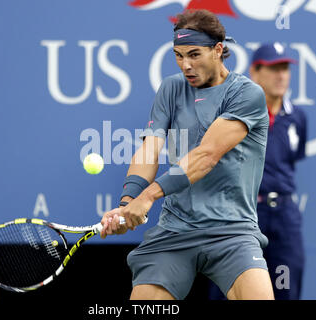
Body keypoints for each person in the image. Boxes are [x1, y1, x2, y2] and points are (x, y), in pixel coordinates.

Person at [100, 9, 274, 300]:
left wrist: (148, 197)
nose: (185, 65)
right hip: (175, 230)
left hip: (232, 231)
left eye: (194, 54)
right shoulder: (170, 88)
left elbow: (206, 156)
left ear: (218, 50)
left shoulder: (247, 94)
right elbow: (149, 149)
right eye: (178, 55)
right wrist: (128, 202)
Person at [209, 42, 307, 300]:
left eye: (285, 68)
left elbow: (291, 160)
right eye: (274, 68)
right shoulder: (234, 116)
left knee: (285, 287)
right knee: (230, 290)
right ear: (255, 72)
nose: (281, 76)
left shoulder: (297, 117)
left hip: (284, 217)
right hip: (241, 215)